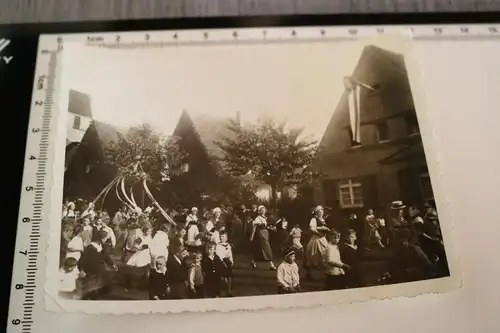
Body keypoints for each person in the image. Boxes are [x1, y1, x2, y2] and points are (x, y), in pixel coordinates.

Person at [78, 229, 118, 300]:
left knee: (98, 289)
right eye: (105, 238)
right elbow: (82, 259)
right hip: (91, 271)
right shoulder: (90, 248)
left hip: (100, 270)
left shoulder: (101, 246)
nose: (106, 240)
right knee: (91, 289)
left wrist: (112, 265)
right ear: (101, 238)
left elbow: (106, 257)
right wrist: (81, 269)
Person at [304, 205, 330, 280]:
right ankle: (310, 273)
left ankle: (326, 272)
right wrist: (319, 231)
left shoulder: (322, 219)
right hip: (316, 238)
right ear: (316, 212)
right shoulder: (314, 219)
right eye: (319, 212)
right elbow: (312, 228)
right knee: (314, 254)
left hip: (323, 238)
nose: (320, 213)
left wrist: (325, 230)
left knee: (325, 253)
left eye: (321, 212)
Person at [249, 205, 276, 270]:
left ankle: (253, 261)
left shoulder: (265, 218)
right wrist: (252, 236)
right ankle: (271, 264)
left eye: (264, 209)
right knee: (267, 248)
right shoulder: (258, 218)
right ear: (259, 211)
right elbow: (254, 227)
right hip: (261, 234)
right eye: (262, 210)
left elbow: (266, 226)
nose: (263, 211)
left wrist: (271, 228)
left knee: (260, 249)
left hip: (266, 233)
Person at [216, 228, 234, 296]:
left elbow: (230, 254)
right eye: (220, 236)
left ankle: (229, 291)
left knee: (229, 276)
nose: (221, 238)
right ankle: (220, 290)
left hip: (228, 261)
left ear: (226, 237)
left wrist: (232, 261)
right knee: (221, 277)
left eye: (223, 236)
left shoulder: (228, 245)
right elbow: (218, 255)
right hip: (221, 262)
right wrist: (222, 263)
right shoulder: (218, 245)